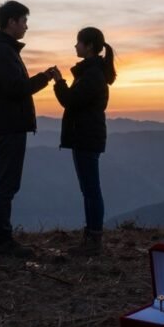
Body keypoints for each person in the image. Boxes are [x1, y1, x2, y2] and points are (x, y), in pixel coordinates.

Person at [0, 0, 56, 258]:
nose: (26, 26)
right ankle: (2, 241)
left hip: (7, 125)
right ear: (11, 22)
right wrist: (44, 78)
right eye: (23, 20)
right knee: (6, 184)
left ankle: (2, 238)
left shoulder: (4, 50)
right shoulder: (3, 51)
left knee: (6, 183)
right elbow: (15, 89)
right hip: (9, 125)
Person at [50, 27, 116, 257]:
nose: (75, 46)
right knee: (89, 189)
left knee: (91, 189)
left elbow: (70, 101)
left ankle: (93, 239)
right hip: (87, 136)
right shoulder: (91, 72)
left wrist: (59, 81)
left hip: (87, 137)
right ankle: (91, 236)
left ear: (88, 46)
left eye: (78, 42)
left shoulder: (93, 74)